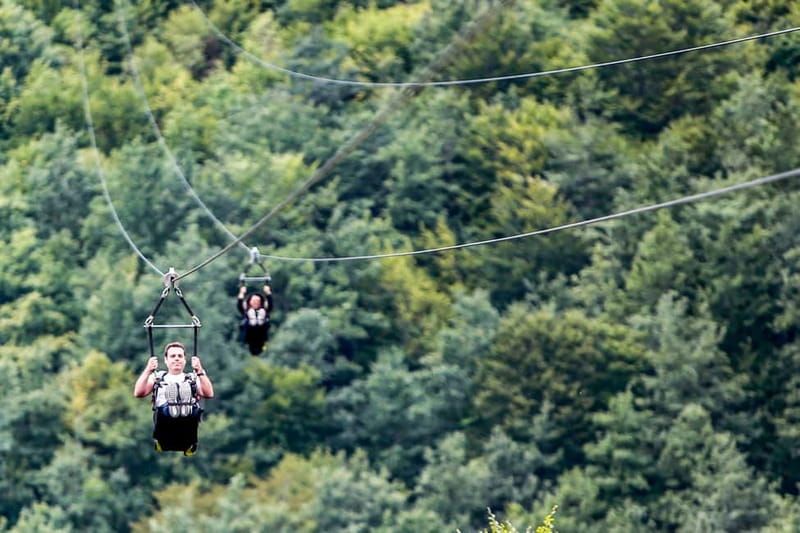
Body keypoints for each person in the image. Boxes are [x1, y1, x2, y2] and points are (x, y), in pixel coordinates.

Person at [133, 341, 214, 455]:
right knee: (166, 411)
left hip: (187, 426)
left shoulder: (192, 378)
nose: (177, 359)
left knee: (192, 411)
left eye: (180, 356)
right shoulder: (158, 377)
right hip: (165, 423)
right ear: (166, 360)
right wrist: (148, 370)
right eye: (173, 356)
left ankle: (180, 405)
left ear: (185, 360)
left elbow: (209, 393)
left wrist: (200, 371)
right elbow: (138, 393)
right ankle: (175, 405)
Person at [237, 284, 273, 355]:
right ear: (250, 302)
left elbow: (270, 305)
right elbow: (240, 305)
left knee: (263, 316)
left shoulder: (264, 310)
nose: (255, 303)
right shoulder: (246, 310)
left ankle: (259, 320)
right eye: (254, 301)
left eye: (257, 302)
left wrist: (268, 292)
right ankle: (255, 320)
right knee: (249, 317)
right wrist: (241, 293)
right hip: (250, 330)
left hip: (261, 330)